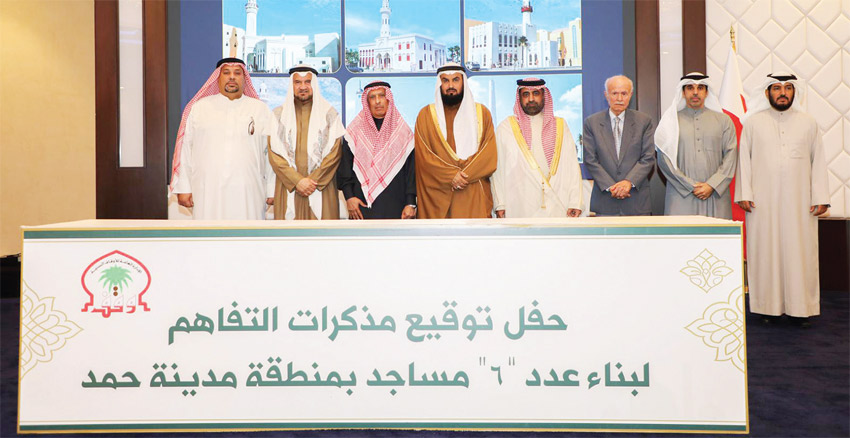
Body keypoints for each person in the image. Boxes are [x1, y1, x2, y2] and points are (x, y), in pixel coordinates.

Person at [734, 73, 830, 325]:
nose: (783, 93)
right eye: (777, 88)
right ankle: (768, 308)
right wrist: (744, 193)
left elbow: (818, 161)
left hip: (801, 203)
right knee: (766, 252)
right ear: (767, 93)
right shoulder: (753, 124)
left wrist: (821, 196)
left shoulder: (808, 123)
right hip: (762, 202)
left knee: (800, 253)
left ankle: (801, 309)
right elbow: (744, 160)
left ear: (794, 92)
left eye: (788, 88)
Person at [170, 57, 277, 220]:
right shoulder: (199, 108)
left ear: (245, 78)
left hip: (249, 189)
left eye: (237, 73)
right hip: (207, 189)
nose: (232, 77)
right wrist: (184, 187)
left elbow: (270, 153)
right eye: (226, 72)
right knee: (209, 232)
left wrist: (271, 188)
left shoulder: (260, 109)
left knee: (247, 233)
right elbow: (185, 150)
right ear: (218, 78)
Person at [414, 63, 497, 218]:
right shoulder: (425, 115)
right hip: (438, 196)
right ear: (439, 84)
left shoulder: (482, 113)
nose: (450, 86)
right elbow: (424, 157)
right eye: (445, 80)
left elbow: (488, 153)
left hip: (473, 192)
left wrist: (463, 176)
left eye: (456, 80)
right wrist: (451, 176)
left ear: (463, 82)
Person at [492, 78, 583, 218]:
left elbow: (572, 166)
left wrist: (575, 202)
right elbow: (498, 169)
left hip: (557, 201)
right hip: (520, 202)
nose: (531, 99)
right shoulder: (506, 127)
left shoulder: (560, 126)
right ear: (519, 98)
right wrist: (500, 204)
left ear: (544, 96)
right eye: (526, 94)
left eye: (536, 93)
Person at [655, 73, 737, 218]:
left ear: (706, 92)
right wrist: (690, 185)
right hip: (681, 195)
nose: (695, 92)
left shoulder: (724, 121)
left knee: (717, 232)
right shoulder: (670, 122)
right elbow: (664, 159)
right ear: (683, 92)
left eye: (700, 88)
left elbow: (731, 156)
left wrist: (711, 185)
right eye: (690, 88)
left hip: (715, 194)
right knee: (682, 233)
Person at [269, 65, 346, 219]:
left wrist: (312, 181)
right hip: (289, 186)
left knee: (321, 232)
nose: (303, 87)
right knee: (289, 232)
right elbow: (275, 154)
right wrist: (297, 181)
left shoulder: (330, 114)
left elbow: (335, 153)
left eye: (308, 82)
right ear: (291, 85)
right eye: (297, 82)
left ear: (314, 84)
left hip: (321, 187)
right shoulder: (278, 115)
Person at [337, 81, 416, 219]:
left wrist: (411, 203)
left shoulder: (403, 132)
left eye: (381, 96)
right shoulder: (355, 132)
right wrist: (349, 197)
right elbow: (345, 168)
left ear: (389, 99)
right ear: (367, 102)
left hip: (397, 207)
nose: (378, 101)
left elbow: (411, 171)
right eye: (372, 97)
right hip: (361, 207)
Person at [582, 75, 656, 216]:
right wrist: (612, 187)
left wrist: (628, 182)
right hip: (605, 202)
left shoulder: (644, 121)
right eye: (614, 93)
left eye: (624, 93)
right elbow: (590, 160)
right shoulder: (592, 123)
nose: (619, 98)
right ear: (606, 95)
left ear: (630, 95)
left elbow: (648, 158)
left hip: (636, 202)